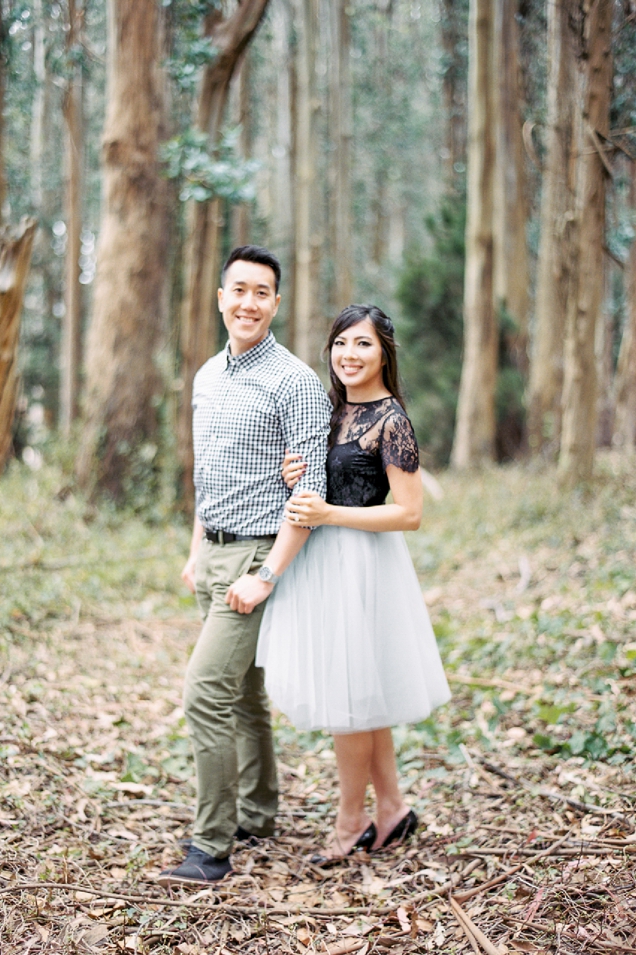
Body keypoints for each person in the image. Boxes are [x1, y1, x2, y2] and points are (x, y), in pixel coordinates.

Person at [160, 245, 332, 885]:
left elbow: (309, 493)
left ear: (276, 304)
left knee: (205, 692)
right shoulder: (207, 375)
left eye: (262, 292)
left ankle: (211, 847)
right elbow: (208, 473)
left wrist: (267, 575)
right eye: (239, 290)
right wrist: (195, 548)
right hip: (212, 551)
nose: (248, 303)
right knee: (244, 694)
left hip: (259, 554)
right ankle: (258, 813)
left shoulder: (294, 381)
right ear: (220, 296)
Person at [258, 303, 451, 863]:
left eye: (362, 344)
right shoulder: (331, 410)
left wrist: (331, 514)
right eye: (341, 343)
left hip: (364, 562)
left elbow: (410, 513)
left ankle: (351, 822)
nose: (349, 355)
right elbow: (321, 478)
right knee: (362, 693)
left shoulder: (392, 420)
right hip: (326, 561)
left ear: (384, 352)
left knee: (350, 696)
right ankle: (391, 809)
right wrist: (298, 473)